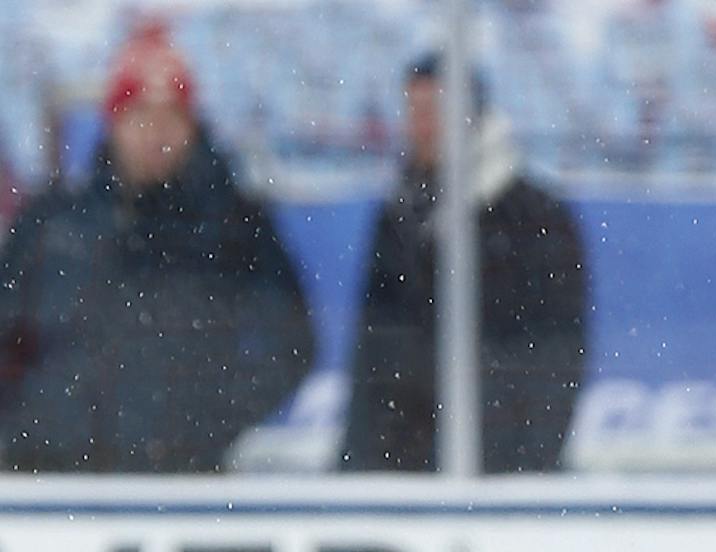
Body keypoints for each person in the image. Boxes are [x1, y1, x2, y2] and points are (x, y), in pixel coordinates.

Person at [0, 22, 312, 474]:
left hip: (176, 486)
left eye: (171, 117)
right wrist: (30, 424)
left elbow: (291, 343)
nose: (155, 133)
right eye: (140, 115)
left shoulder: (233, 226)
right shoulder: (54, 223)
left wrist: (201, 426)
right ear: (114, 122)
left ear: (192, 126)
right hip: (52, 479)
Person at [340, 53, 588, 475]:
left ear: (471, 116)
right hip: (405, 471)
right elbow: (373, 358)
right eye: (412, 110)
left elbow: (555, 361)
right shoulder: (400, 214)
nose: (419, 127)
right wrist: (359, 466)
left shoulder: (535, 217)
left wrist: (519, 471)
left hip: (498, 473)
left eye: (432, 111)